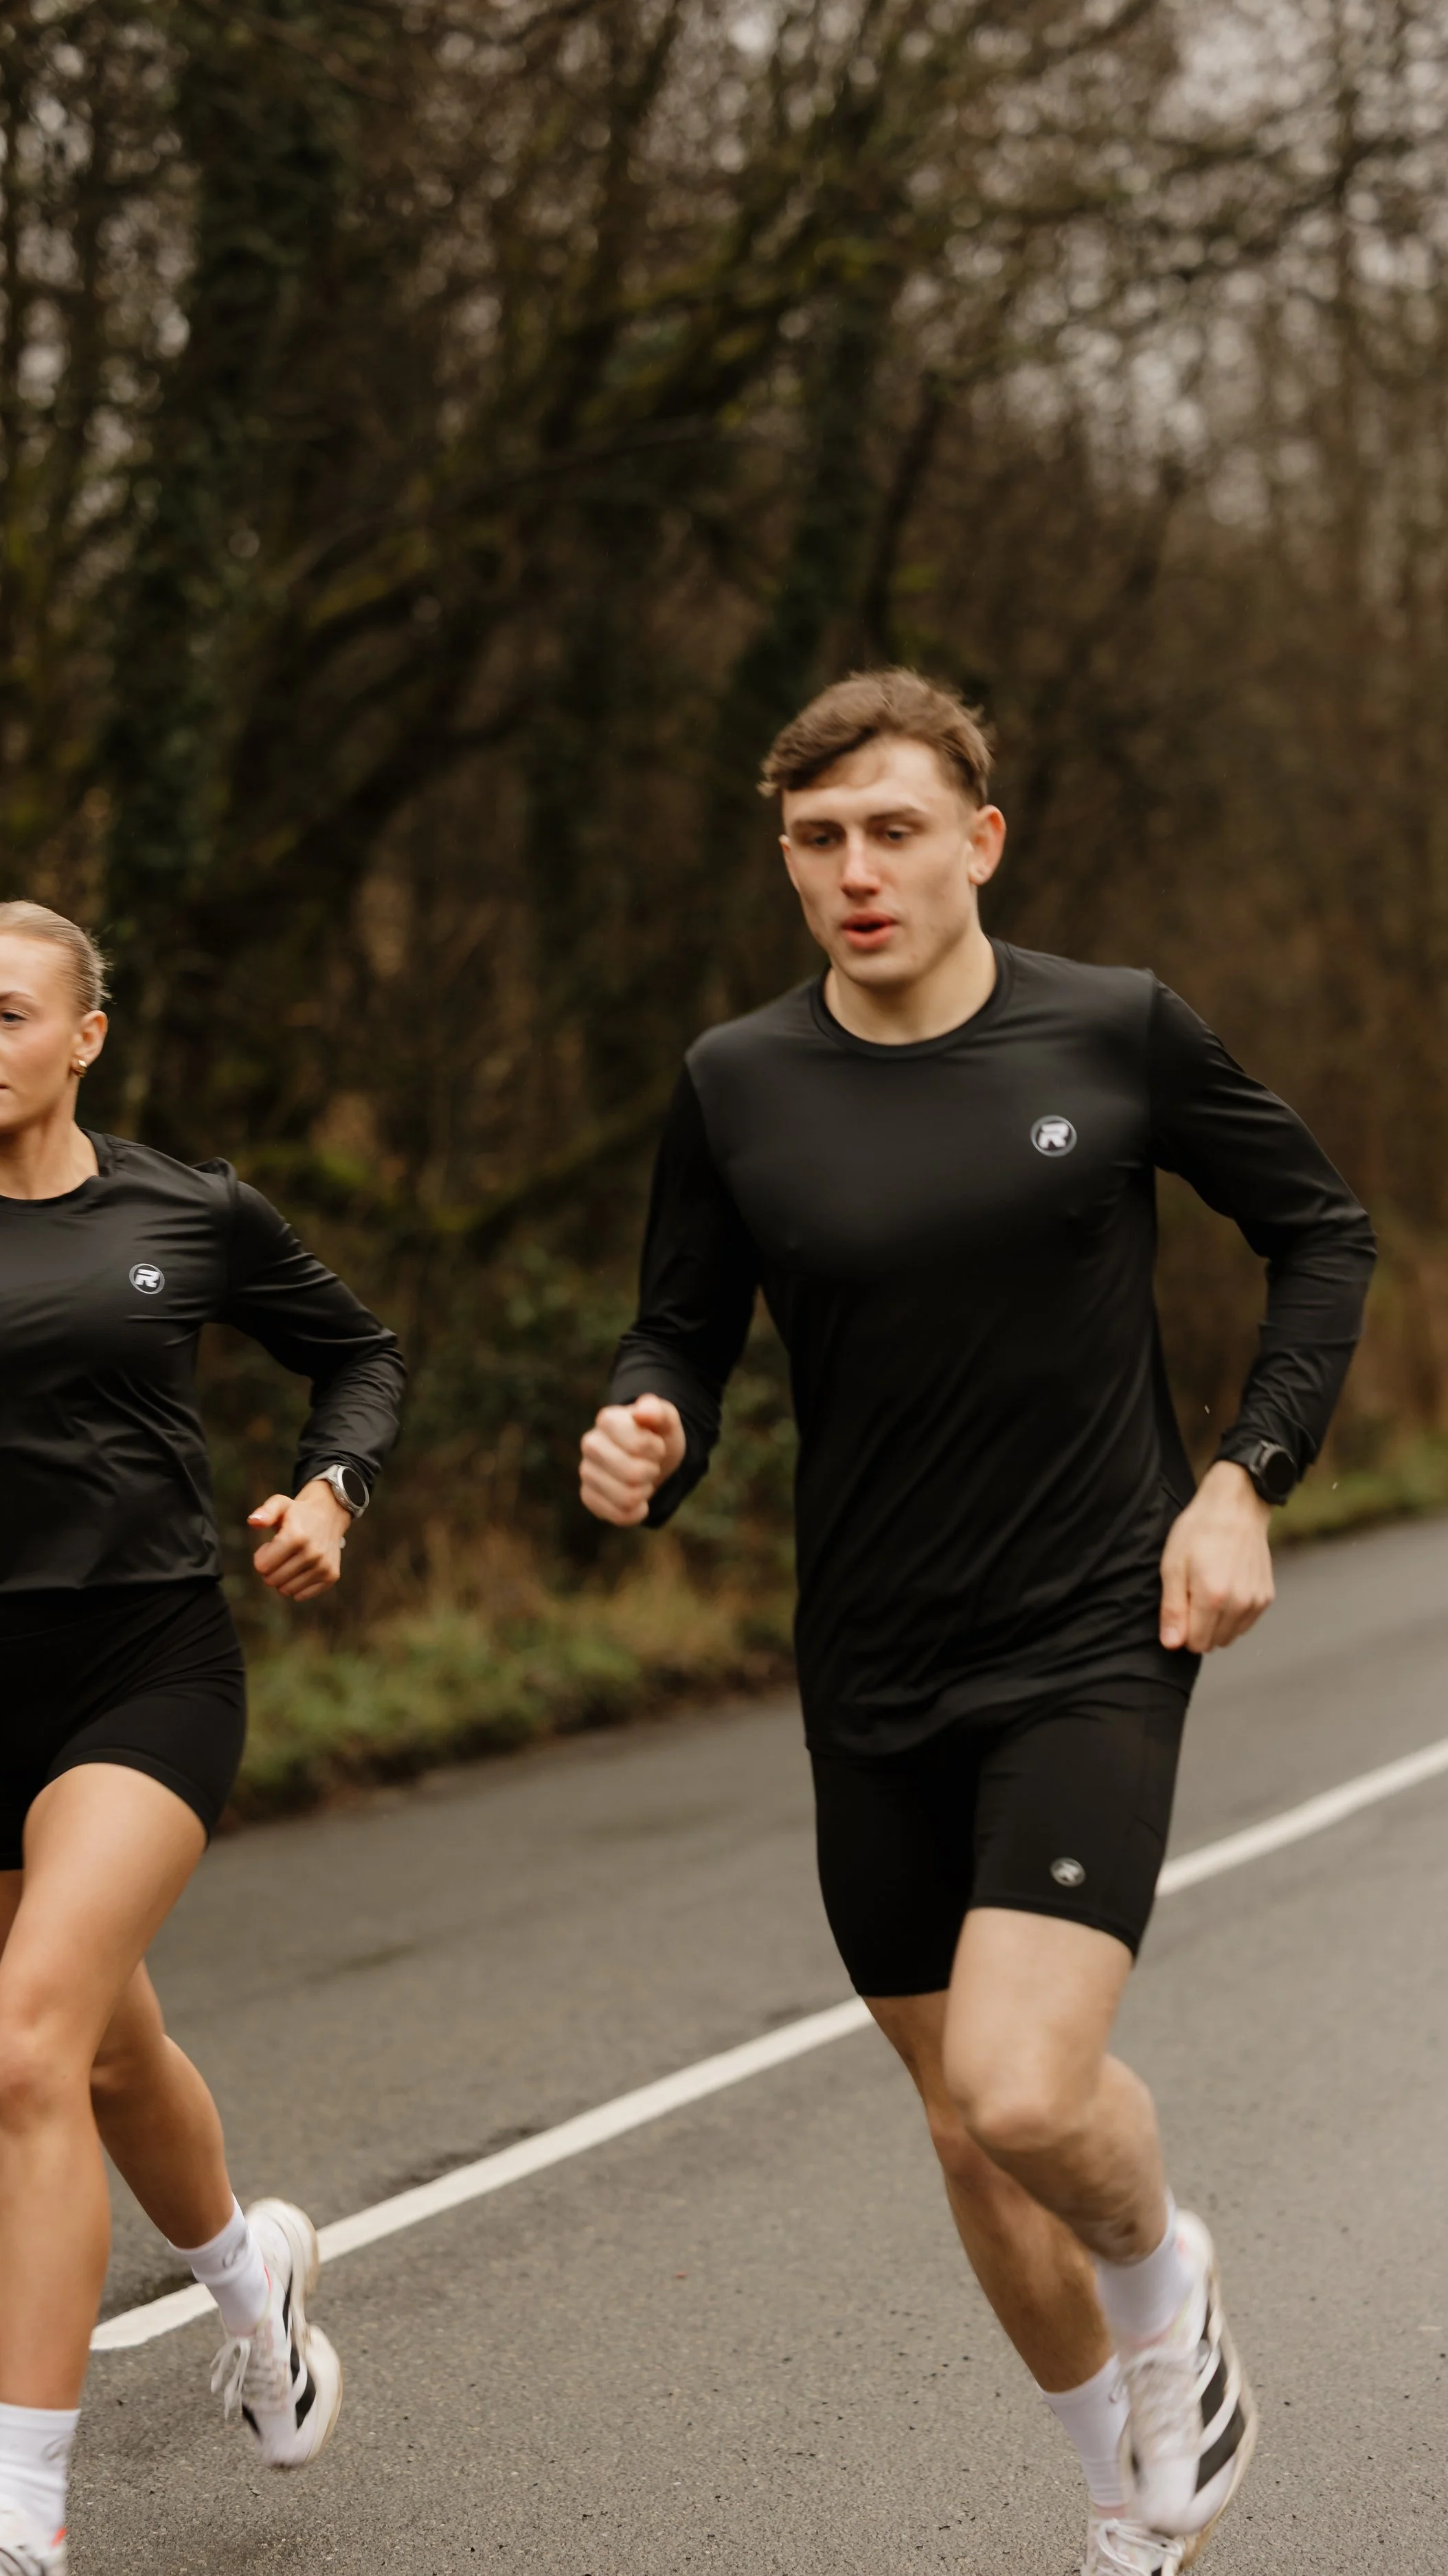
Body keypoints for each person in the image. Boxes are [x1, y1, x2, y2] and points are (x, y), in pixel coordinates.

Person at [578, 671, 1376, 2576]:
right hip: (868, 1655)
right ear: (786, 858)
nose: (854, 872)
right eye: (816, 839)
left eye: (893, 830)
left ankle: (1164, 2277)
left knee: (1022, 2085)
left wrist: (1241, 1477)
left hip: (1091, 1627)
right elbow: (678, 1325)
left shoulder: (1111, 1029)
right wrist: (646, 1427)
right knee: (961, 2129)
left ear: (978, 842)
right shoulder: (735, 1082)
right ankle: (1124, 2509)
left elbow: (1319, 1230)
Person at [0, 901, 405, 2576]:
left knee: (27, 2055)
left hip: (146, 1668)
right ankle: (254, 2284)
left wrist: (330, 1492)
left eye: (9, 1014)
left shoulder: (187, 1209)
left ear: (86, 1035)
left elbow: (358, 1355)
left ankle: (20, 2511)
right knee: (104, 2055)